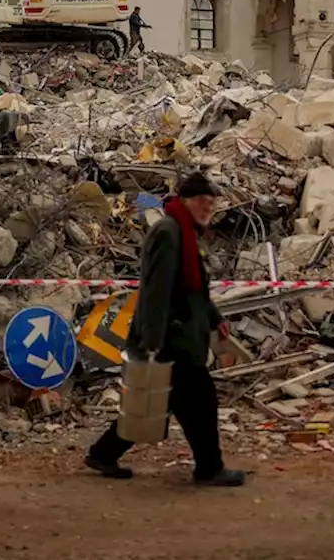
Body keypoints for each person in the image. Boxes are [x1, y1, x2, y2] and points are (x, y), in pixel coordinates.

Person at [86, 171, 246, 488]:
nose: (207, 208)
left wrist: (215, 319)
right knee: (200, 403)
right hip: (172, 339)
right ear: (184, 201)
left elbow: (194, 291)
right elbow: (157, 291)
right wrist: (152, 342)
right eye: (201, 201)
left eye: (211, 203)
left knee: (158, 403)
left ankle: (103, 453)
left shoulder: (184, 234)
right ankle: (209, 468)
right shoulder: (169, 233)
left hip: (182, 336)